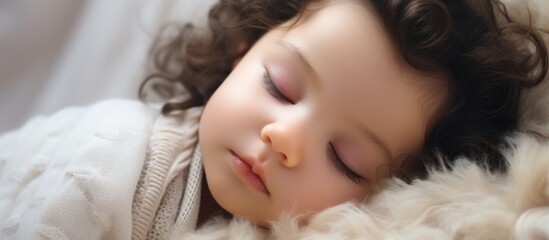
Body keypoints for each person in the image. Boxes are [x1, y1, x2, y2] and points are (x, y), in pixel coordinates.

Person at [0, 0, 547, 239]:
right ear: (243, 50)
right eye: (280, 88)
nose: (283, 138)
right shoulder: (112, 157)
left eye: (344, 158)